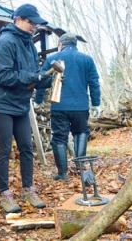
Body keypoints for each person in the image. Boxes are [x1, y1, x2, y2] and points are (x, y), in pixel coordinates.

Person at [0, 4, 52, 213]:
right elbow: (4, 76)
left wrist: (45, 79)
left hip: (20, 103)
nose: (34, 26)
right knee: (4, 149)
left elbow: (31, 76)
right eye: (31, 22)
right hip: (1, 103)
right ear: (18, 19)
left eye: (35, 23)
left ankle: (28, 189)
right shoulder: (4, 43)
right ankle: (4, 193)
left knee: (26, 147)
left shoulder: (30, 45)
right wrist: (34, 77)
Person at [34, 33, 101, 181]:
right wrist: (96, 103)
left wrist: (38, 100)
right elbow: (94, 82)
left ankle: (63, 174)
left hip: (59, 106)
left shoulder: (52, 59)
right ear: (75, 44)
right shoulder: (87, 59)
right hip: (81, 106)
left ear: (60, 45)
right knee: (81, 133)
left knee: (59, 139)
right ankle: (80, 165)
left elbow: (42, 80)